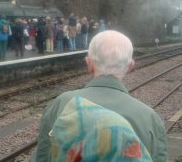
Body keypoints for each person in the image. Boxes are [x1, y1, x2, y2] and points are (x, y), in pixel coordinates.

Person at [30, 30, 167, 162]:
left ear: (89, 64)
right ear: (130, 66)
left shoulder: (61, 103)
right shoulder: (150, 118)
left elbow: (42, 157)